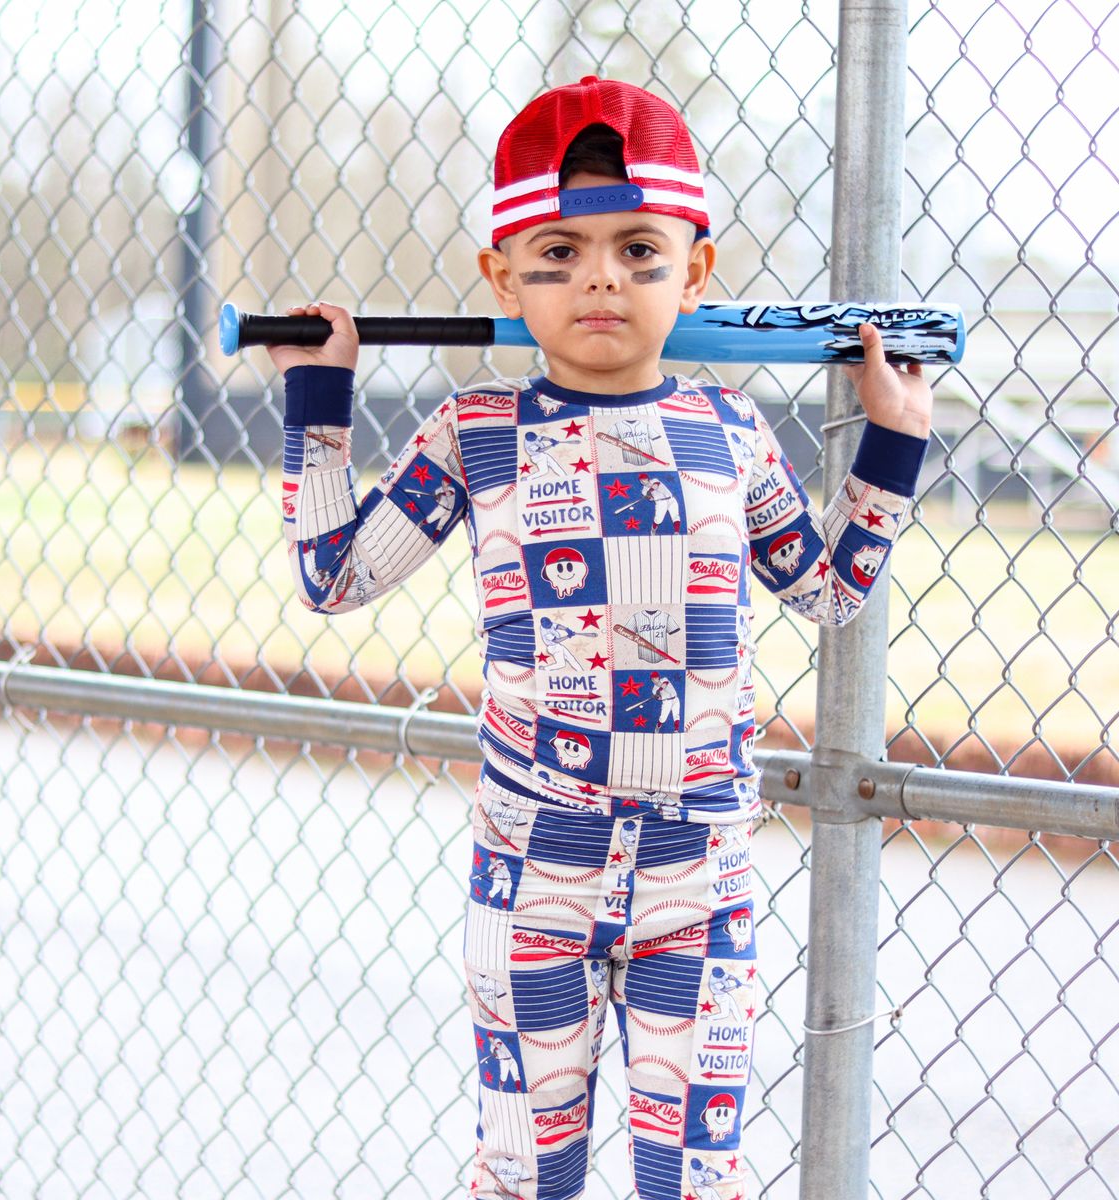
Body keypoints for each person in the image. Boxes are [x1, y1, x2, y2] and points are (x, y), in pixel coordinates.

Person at [268, 75, 930, 1200]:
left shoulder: (732, 433)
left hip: (698, 880)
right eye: (560, 253)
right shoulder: (475, 431)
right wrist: (318, 405)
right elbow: (334, 576)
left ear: (696, 271)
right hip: (535, 872)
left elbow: (825, 592)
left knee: (695, 1179)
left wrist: (894, 442)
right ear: (501, 277)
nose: (602, 279)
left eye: (639, 250)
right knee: (528, 1173)